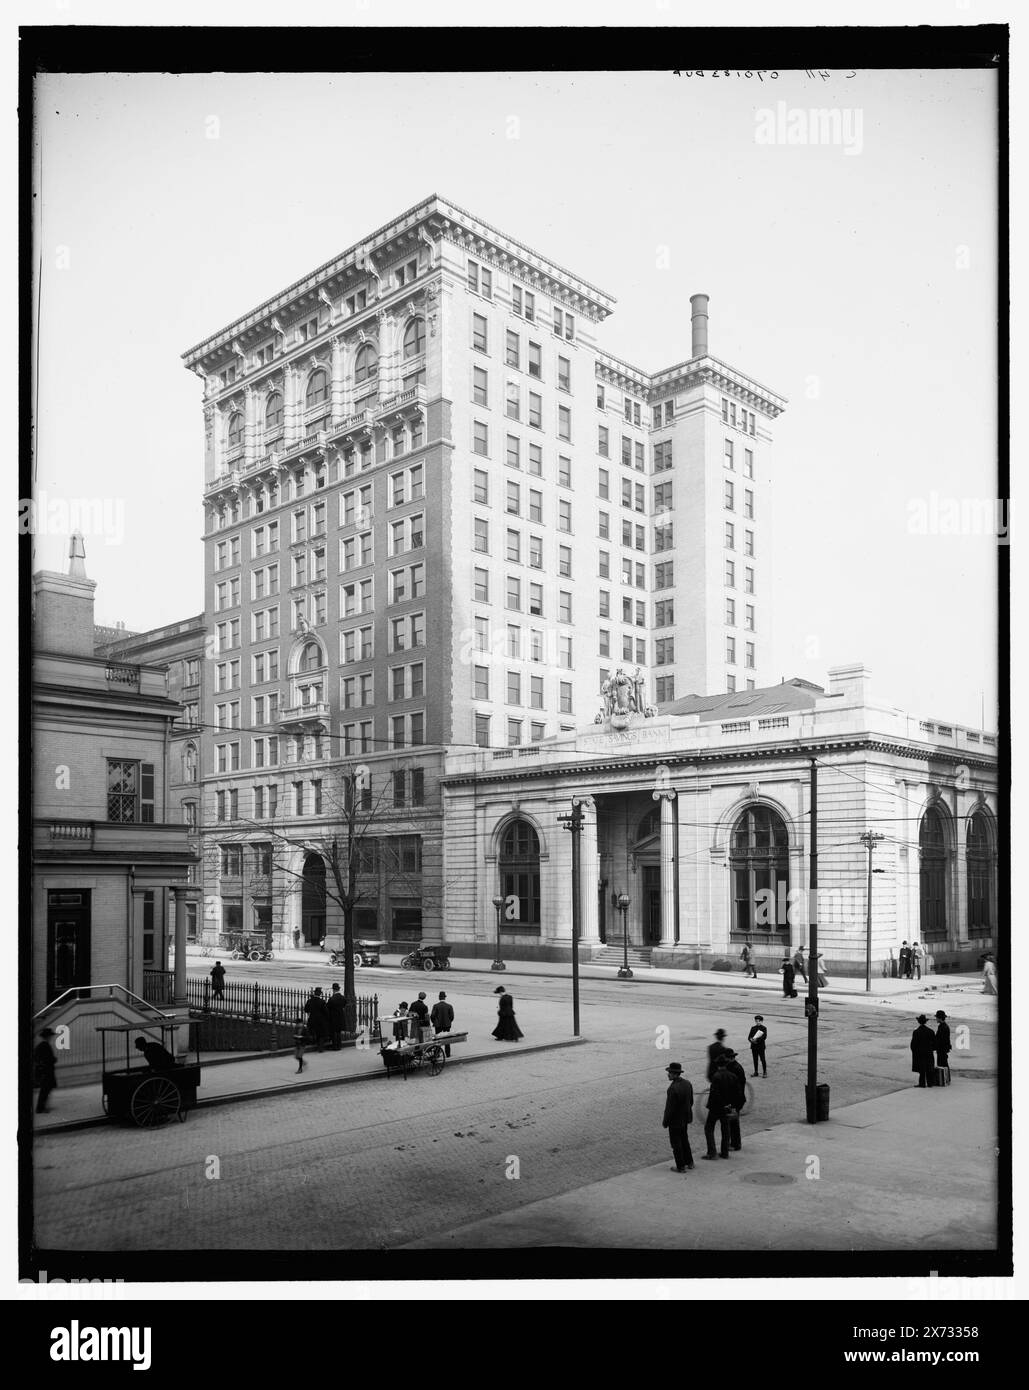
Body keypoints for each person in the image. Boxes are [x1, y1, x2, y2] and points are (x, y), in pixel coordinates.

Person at [702, 1057, 744, 1159]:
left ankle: (712, 1152)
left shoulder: (716, 1076)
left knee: (709, 1128)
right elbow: (738, 1093)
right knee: (726, 1129)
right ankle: (725, 1152)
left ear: (717, 1065)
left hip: (716, 1108)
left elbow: (715, 1094)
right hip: (728, 1108)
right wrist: (731, 1105)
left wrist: (718, 1104)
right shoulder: (733, 1076)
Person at [662, 1062, 695, 1173]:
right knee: (684, 1140)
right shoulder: (687, 1083)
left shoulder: (672, 1089)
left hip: (675, 1120)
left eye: (669, 1073)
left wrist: (665, 1121)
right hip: (685, 1118)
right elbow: (691, 1101)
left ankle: (680, 1166)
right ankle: (689, 1162)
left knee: (676, 1143)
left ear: (675, 1074)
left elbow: (669, 1108)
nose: (668, 1075)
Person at [721, 1050, 748, 1151]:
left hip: (736, 1100)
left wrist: (732, 1103)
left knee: (734, 1123)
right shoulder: (734, 1067)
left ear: (729, 1058)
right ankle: (735, 1143)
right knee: (733, 1123)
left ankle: (736, 1144)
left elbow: (737, 1087)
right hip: (737, 1099)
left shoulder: (735, 1068)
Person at [34, 1028, 58, 1114]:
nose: (51, 1037)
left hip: (44, 1071)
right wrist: (54, 1059)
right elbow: (49, 1059)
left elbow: (36, 1057)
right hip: (47, 1072)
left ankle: (42, 1107)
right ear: (48, 1036)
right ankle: (40, 1108)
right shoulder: (45, 1045)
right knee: (45, 1090)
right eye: (50, 1036)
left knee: (45, 1090)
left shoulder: (41, 1045)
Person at [910, 1014, 937, 1088]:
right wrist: (931, 1049)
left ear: (919, 1022)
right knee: (929, 1067)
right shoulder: (931, 1031)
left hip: (920, 1053)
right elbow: (935, 1043)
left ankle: (922, 1083)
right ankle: (930, 1083)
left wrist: (914, 1052)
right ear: (925, 1022)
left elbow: (913, 1045)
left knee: (921, 1069)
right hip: (928, 1052)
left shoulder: (916, 1032)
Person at [303, 986, 330, 1052]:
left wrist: (310, 1012)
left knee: (313, 1032)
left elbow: (306, 1009)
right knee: (321, 1034)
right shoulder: (322, 1002)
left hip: (312, 1019)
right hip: (320, 1020)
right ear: (320, 994)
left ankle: (313, 1044)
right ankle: (320, 1048)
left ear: (314, 993)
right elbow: (326, 1012)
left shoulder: (310, 1001)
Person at [430, 991, 455, 1056]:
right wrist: (449, 1022)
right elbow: (452, 1017)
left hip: (438, 1025)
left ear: (439, 997)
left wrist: (434, 1022)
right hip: (447, 1025)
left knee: (438, 1040)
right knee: (447, 1040)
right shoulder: (449, 1006)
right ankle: (448, 1054)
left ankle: (437, 1053)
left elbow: (432, 1016)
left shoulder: (435, 1006)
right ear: (445, 998)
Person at [327, 981, 346, 1050]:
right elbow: (344, 1005)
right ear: (338, 989)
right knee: (338, 1032)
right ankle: (339, 1046)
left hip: (333, 1017)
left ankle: (334, 1046)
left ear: (334, 990)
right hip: (340, 1016)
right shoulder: (343, 998)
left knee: (333, 1032)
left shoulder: (332, 999)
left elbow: (328, 1007)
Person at [934, 1010, 951, 1081]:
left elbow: (939, 1039)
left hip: (942, 1049)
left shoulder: (942, 1027)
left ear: (939, 1018)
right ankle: (946, 1078)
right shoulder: (944, 1026)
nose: (936, 1019)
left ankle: (945, 1079)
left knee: (942, 1064)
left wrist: (934, 1046)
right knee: (944, 1063)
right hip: (944, 1048)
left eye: (937, 1018)